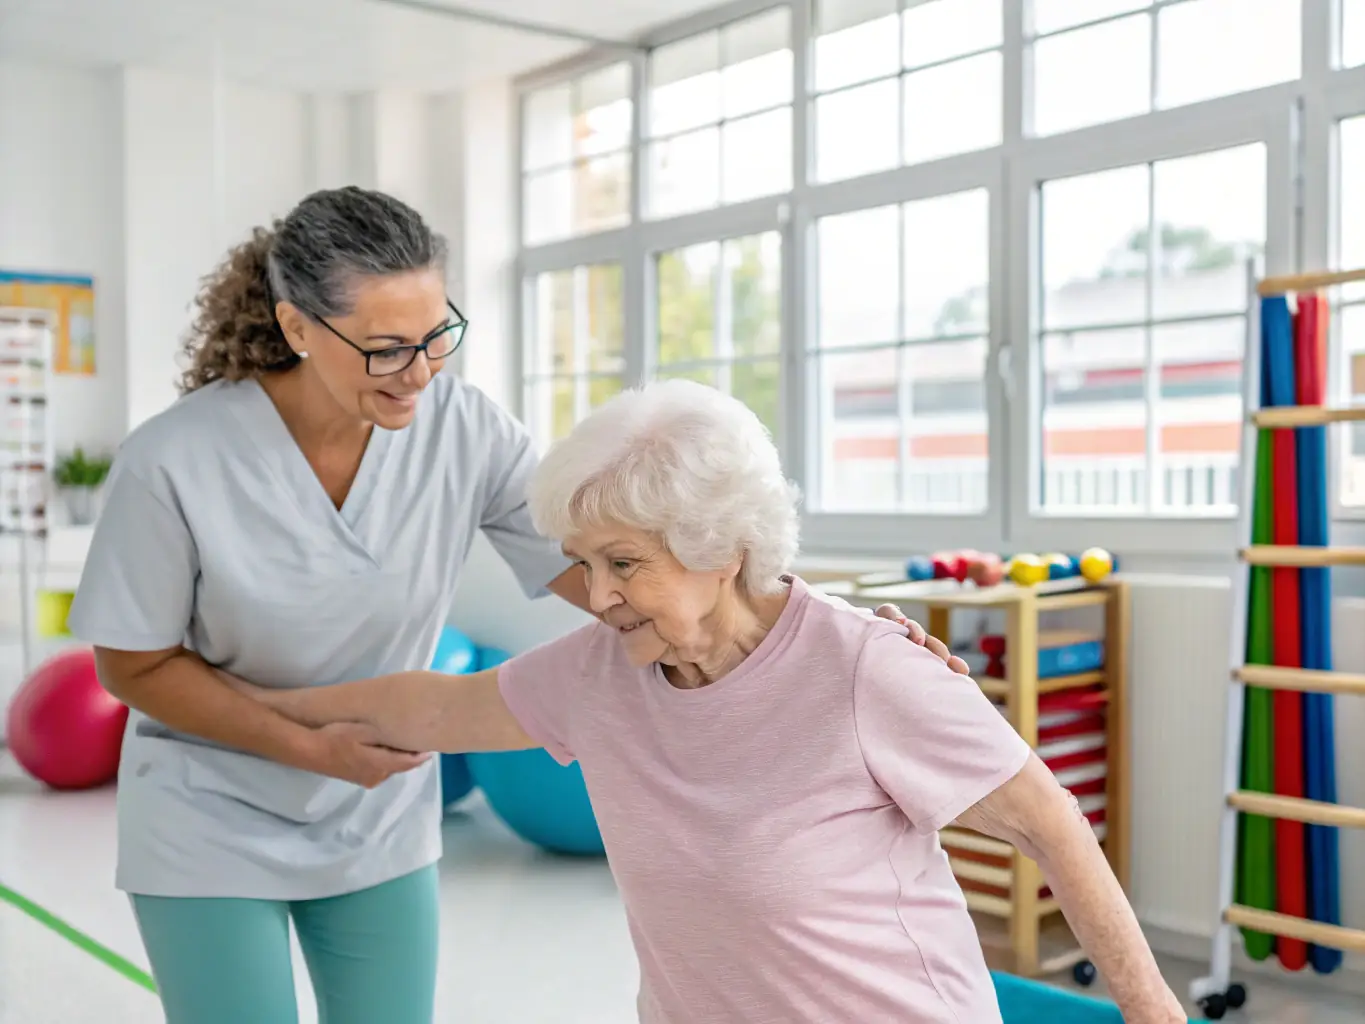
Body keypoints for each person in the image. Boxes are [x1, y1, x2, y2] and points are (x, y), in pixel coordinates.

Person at [66, 186, 962, 1024]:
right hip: (209, 807)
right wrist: (308, 746)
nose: (418, 372)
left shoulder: (462, 427)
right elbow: (132, 664)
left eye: (436, 334)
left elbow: (604, 568)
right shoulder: (173, 460)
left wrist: (811, 634)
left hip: (376, 809)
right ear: (297, 326)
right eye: (384, 348)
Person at [231, 378, 1185, 1024]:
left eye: (624, 565)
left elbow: (1052, 824)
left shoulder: (866, 670)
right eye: (584, 562)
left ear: (721, 545)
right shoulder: (600, 672)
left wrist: (1150, 1014)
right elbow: (432, 708)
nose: (594, 594)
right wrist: (243, 702)